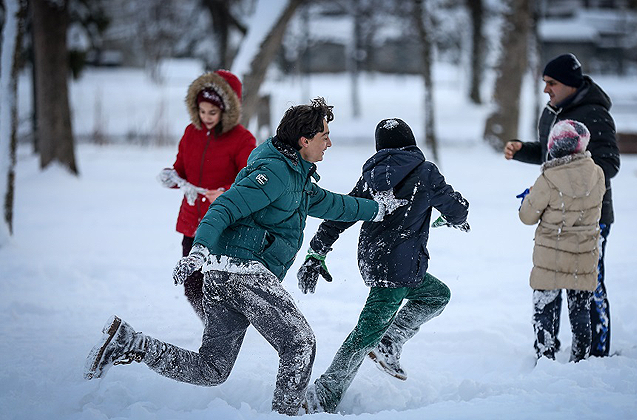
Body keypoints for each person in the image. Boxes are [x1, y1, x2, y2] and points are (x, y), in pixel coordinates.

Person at [84, 98, 406, 416]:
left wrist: (380, 209)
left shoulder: (298, 179)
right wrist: (198, 250)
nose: (329, 143)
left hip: (225, 277)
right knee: (299, 343)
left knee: (211, 369)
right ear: (304, 140)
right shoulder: (276, 173)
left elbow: (336, 204)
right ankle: (286, 415)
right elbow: (223, 207)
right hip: (241, 272)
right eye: (324, 136)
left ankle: (130, 342)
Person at [297, 118, 470, 413]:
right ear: (411, 144)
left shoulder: (371, 176)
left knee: (436, 295)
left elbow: (344, 212)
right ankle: (324, 394)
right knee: (365, 334)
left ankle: (390, 341)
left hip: (374, 259)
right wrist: (456, 217)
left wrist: (317, 251)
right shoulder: (424, 172)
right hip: (399, 267)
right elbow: (456, 208)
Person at [503, 53, 620, 357]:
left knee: (589, 284)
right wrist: (523, 151)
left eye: (551, 83)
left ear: (569, 83)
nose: (546, 89)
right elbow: (551, 154)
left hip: (590, 217)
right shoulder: (554, 110)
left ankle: (597, 352)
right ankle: (553, 350)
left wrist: (572, 187)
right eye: (544, 83)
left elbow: (609, 163)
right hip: (555, 216)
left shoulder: (594, 113)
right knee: (551, 281)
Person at [157, 69, 256, 320]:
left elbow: (252, 182)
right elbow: (181, 169)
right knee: (191, 284)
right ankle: (212, 325)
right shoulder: (191, 133)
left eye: (212, 112)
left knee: (222, 285)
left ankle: (227, 328)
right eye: (202, 111)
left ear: (227, 109)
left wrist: (224, 194)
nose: (206, 117)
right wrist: (172, 177)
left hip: (225, 224)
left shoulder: (242, 139)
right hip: (192, 221)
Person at [518, 120, 606, 362]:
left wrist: (528, 198)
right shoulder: (597, 173)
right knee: (580, 310)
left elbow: (527, 216)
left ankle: (546, 356)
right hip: (585, 253)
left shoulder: (548, 178)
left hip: (551, 254)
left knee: (545, 308)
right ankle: (581, 357)